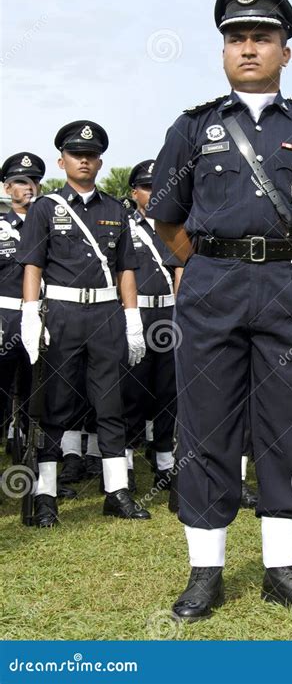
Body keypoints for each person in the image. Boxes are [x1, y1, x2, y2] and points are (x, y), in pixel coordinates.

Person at [147, 0, 292, 620]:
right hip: (211, 288)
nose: (247, 48)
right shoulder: (193, 128)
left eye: (262, 37)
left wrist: (282, 267)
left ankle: (280, 569)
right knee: (205, 425)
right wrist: (213, 267)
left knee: (287, 426)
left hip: (290, 289)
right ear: (223, 51)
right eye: (236, 38)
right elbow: (166, 217)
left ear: (285, 51)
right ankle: (205, 571)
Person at [17, 121, 150, 525]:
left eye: (91, 155)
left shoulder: (115, 209)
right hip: (62, 313)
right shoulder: (45, 208)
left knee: (111, 404)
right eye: (77, 155)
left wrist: (132, 319)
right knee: (56, 404)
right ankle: (45, 495)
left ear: (100, 161)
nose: (85, 160)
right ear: (63, 161)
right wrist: (29, 313)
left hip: (107, 315)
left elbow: (126, 268)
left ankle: (117, 491)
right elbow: (33, 264)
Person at [122, 159, 179, 491]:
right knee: (132, 391)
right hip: (138, 313)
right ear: (134, 192)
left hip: (169, 314)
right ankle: (125, 463)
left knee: (167, 392)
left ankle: (164, 462)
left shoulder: (173, 226)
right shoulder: (124, 225)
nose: (154, 193)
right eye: (147, 187)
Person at [0, 153, 45, 456]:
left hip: (42, 316)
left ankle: (32, 453)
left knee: (36, 390)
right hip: (4, 317)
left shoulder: (52, 225)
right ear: (7, 188)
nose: (28, 187)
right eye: (20, 181)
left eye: (34, 181)